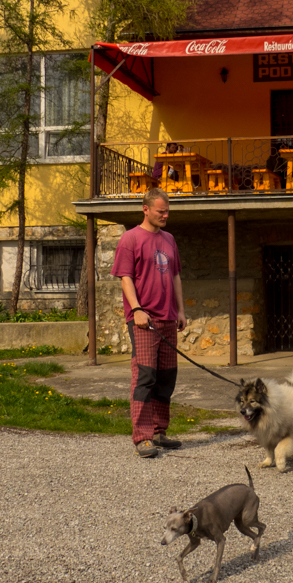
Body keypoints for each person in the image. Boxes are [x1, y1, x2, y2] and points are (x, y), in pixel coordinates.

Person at [111, 187, 187, 458]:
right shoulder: (130, 239)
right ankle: (142, 437)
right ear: (146, 209)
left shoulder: (169, 239)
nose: (166, 215)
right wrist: (137, 309)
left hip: (168, 318)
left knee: (166, 378)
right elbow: (125, 277)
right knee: (145, 375)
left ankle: (158, 432)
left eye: (167, 211)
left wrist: (180, 310)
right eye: (161, 211)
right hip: (143, 320)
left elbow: (175, 276)